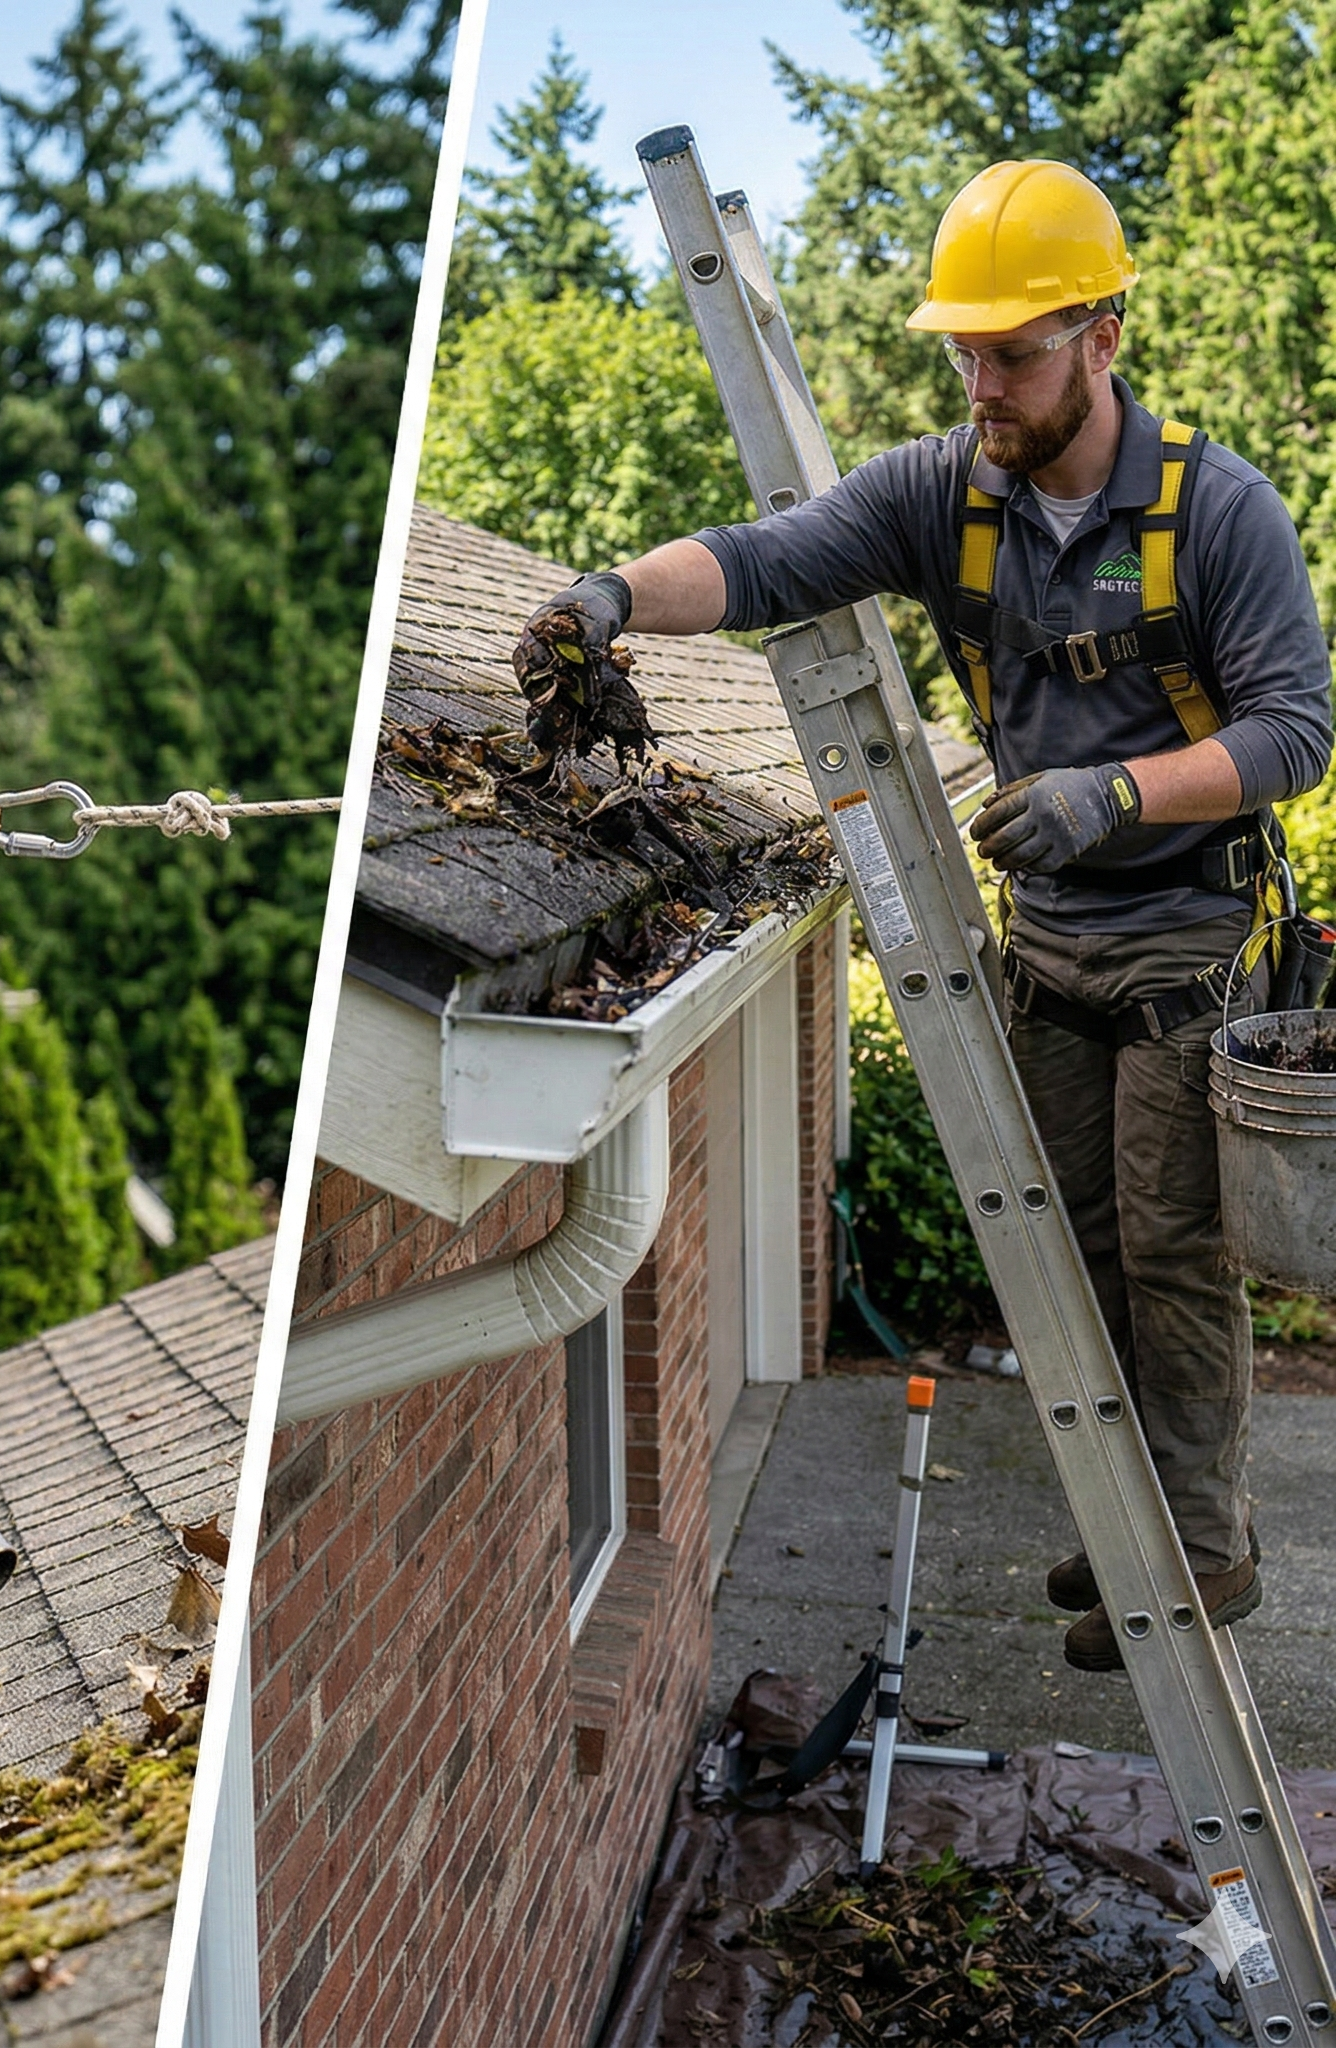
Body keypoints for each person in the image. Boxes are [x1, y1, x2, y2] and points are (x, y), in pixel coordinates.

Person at [516, 159, 1332, 1673]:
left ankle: (1206, 1547)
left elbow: (1297, 732)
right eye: (964, 349)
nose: (983, 381)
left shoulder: (1217, 513)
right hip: (1050, 952)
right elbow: (766, 561)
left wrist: (1117, 798)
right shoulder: (944, 493)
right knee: (1074, 1255)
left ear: (1101, 334)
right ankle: (1127, 1511)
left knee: (1168, 1250)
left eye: (1011, 351)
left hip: (1187, 948)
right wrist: (607, 598)